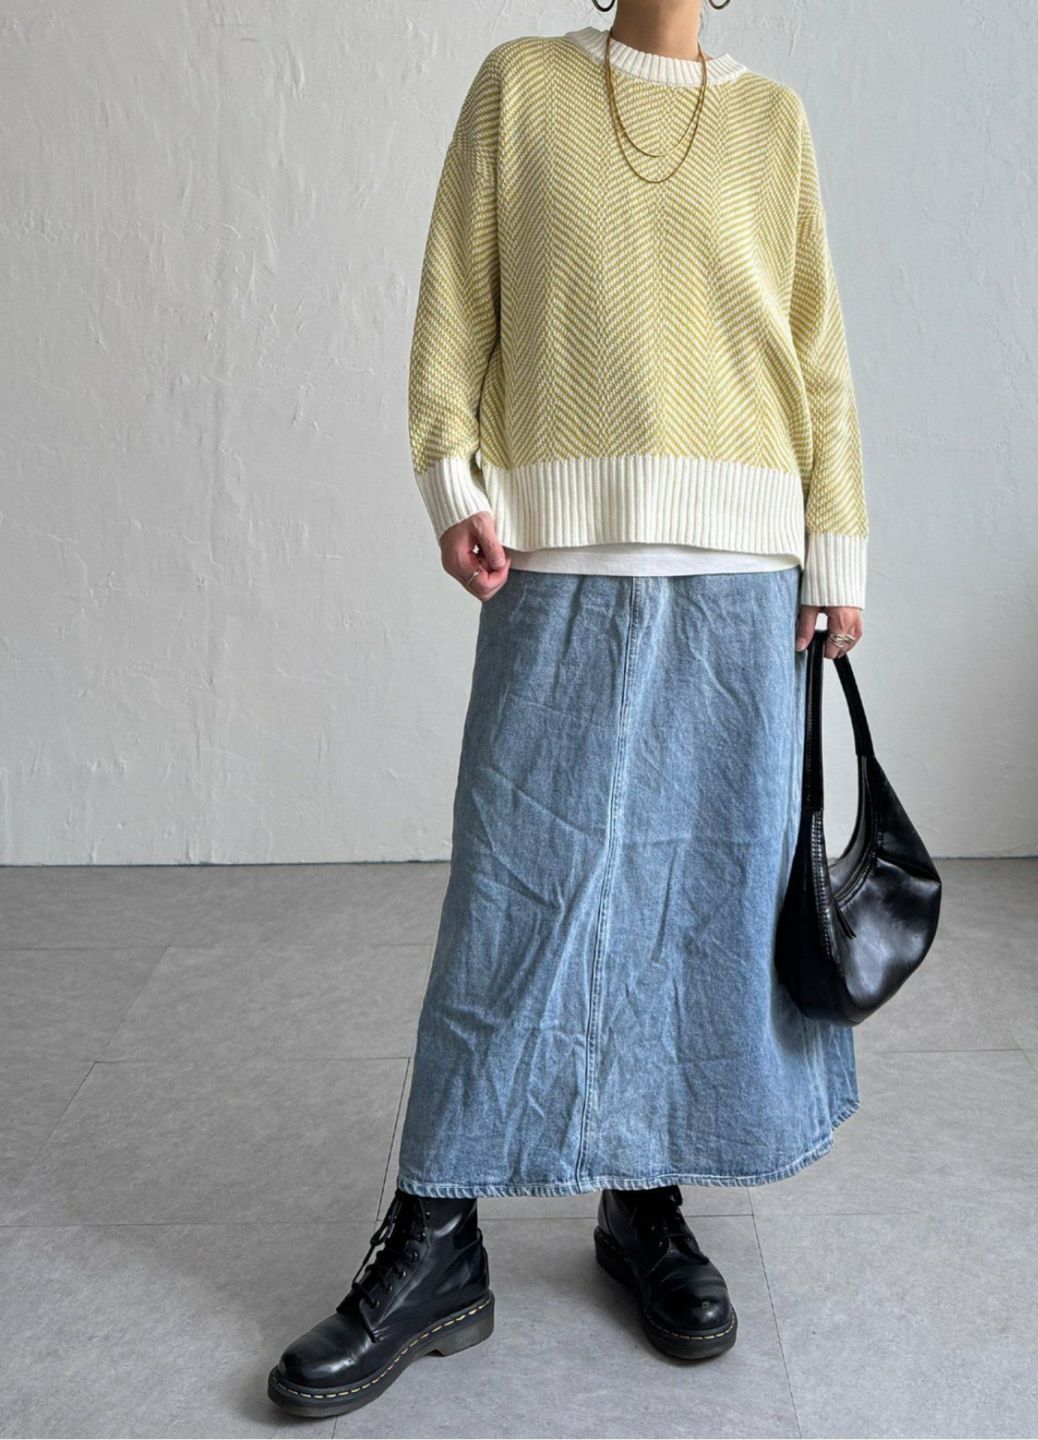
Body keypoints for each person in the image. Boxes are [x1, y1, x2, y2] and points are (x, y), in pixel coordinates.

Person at [268, 0, 868, 1418]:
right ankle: (436, 1230)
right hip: (557, 556)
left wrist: (837, 546)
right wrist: (451, 480)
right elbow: (454, 309)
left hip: (745, 576)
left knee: (697, 903)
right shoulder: (522, 88)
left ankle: (644, 1201)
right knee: (517, 886)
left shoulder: (772, 122)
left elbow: (818, 358)